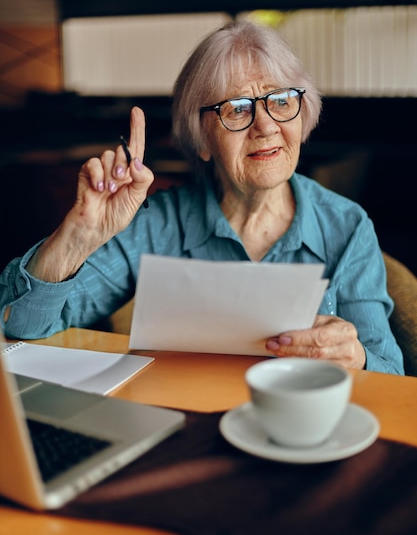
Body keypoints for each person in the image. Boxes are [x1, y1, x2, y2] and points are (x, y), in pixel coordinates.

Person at [0, 20, 403, 374]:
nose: (265, 126)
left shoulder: (347, 226)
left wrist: (357, 358)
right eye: (237, 108)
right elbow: (21, 326)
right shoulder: (160, 223)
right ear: (202, 139)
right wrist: (78, 237)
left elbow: (392, 375)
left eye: (281, 101)